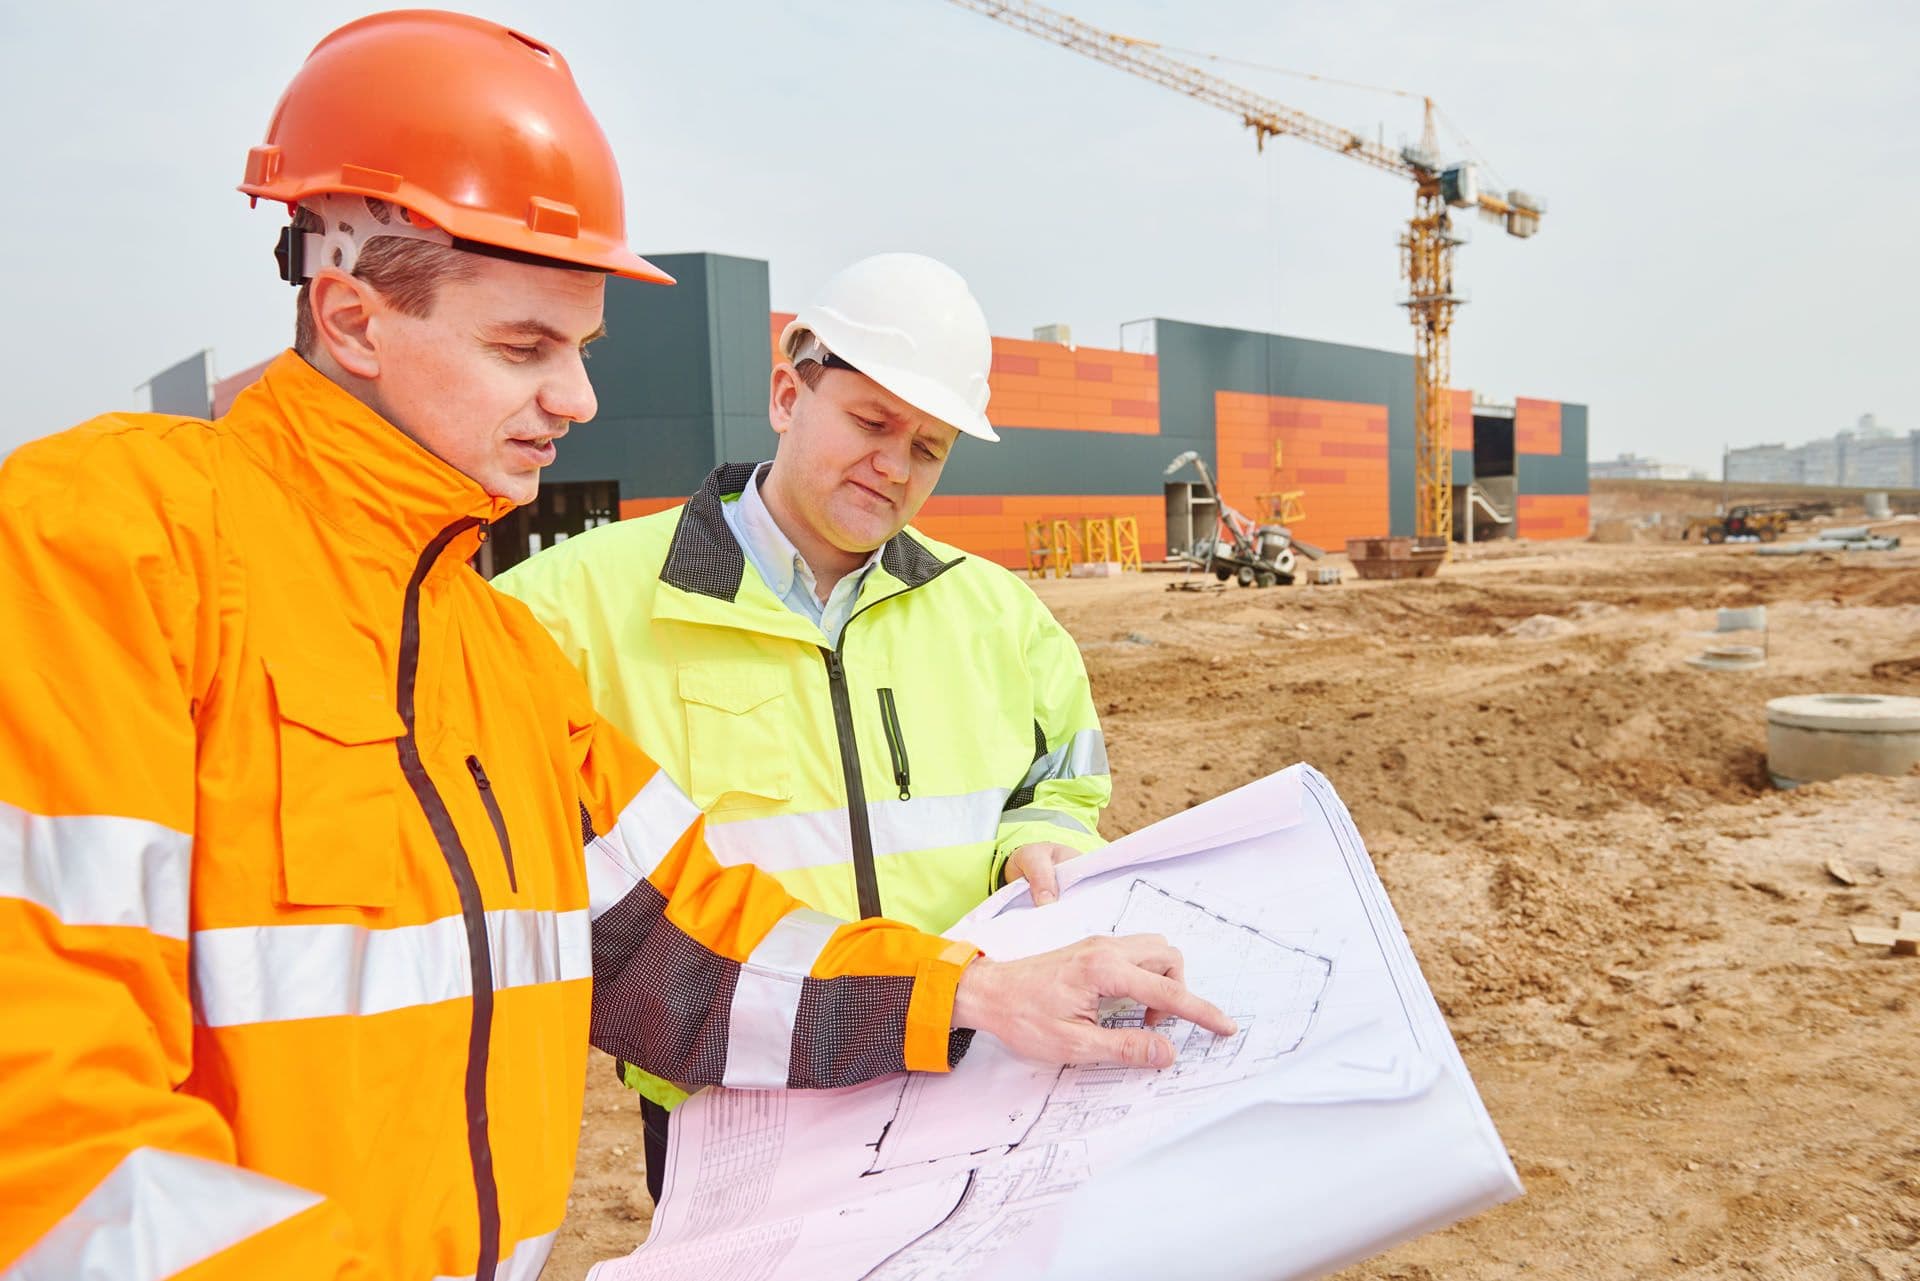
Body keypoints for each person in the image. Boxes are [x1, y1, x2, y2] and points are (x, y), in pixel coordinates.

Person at [0, 14, 1231, 1279]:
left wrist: (976, 994)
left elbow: (677, 945)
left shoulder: (499, 657)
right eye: (522, 348)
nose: (579, 399)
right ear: (354, 318)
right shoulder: (115, 546)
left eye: (580, 351)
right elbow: (45, 1125)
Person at [495, 252, 1111, 1201]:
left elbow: (1061, 781)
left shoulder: (1000, 617)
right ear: (788, 394)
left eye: (928, 447)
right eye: (871, 422)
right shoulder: (567, 610)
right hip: (733, 1095)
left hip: (964, 1063)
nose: (893, 466)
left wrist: (1038, 837)